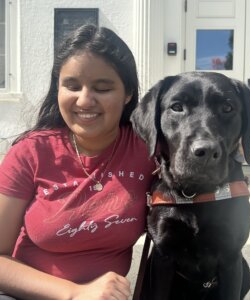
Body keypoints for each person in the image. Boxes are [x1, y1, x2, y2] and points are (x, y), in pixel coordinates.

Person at [0, 24, 155, 300]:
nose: (84, 100)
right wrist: (75, 293)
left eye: (103, 88)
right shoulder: (30, 152)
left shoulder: (147, 150)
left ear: (128, 93)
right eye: (72, 86)